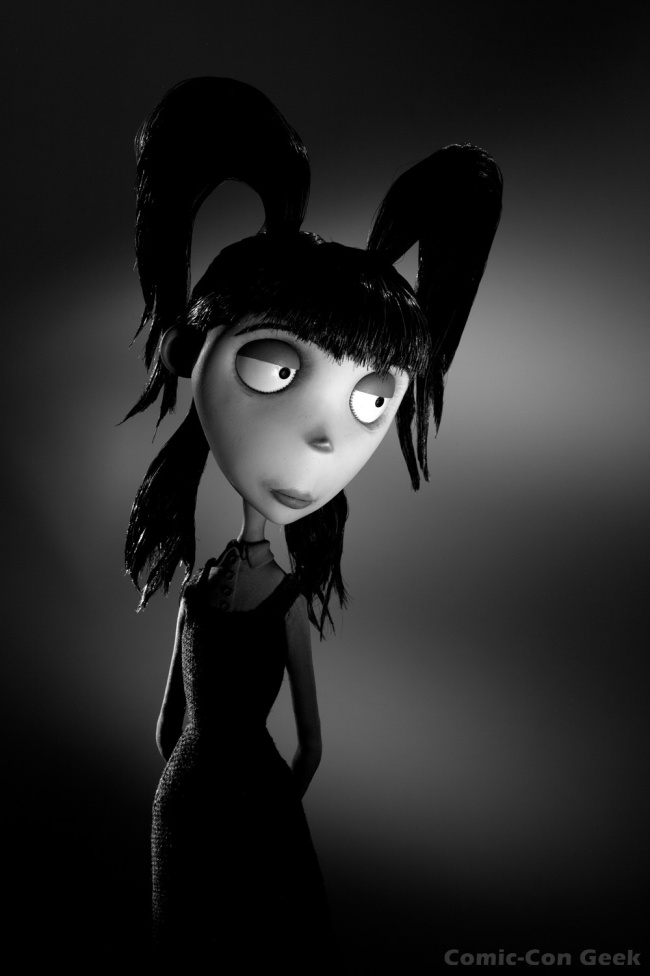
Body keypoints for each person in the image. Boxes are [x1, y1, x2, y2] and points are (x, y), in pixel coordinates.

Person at [124, 77, 502, 968]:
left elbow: (300, 746)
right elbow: (177, 727)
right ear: (190, 351)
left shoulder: (271, 598)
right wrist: (200, 788)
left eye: (373, 400)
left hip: (230, 800)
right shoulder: (203, 592)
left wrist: (258, 808)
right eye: (274, 370)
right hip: (190, 804)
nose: (330, 437)